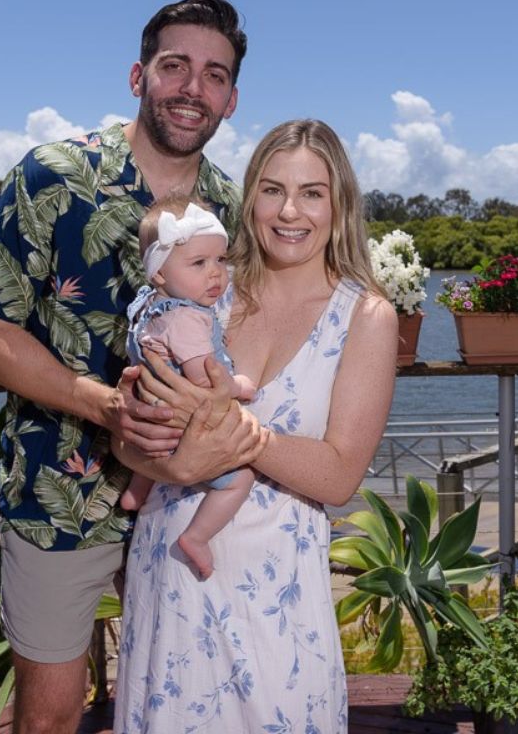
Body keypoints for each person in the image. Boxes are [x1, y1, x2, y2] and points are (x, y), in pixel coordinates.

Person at [0, 0, 266, 734]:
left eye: (214, 74)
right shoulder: (55, 175)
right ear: (139, 75)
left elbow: (246, 336)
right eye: (175, 67)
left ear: (231, 97)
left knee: (186, 697)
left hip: (186, 495)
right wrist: (105, 405)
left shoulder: (232, 203)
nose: (194, 88)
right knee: (53, 717)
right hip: (62, 494)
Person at [113, 119, 399, 733]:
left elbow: (339, 474)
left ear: (338, 203)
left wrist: (236, 433)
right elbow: (128, 433)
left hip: (278, 602)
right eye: (272, 190)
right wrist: (156, 445)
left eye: (312, 193)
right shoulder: (207, 283)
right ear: (250, 199)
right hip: (173, 575)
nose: (289, 211)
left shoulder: (366, 315)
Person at [119, 194, 257, 578]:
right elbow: (204, 380)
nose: (215, 274)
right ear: (159, 273)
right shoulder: (186, 318)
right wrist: (240, 386)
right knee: (239, 480)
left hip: (155, 420)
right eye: (199, 263)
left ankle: (137, 489)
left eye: (221, 260)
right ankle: (196, 537)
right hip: (184, 425)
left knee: (155, 447)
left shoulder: (148, 306)